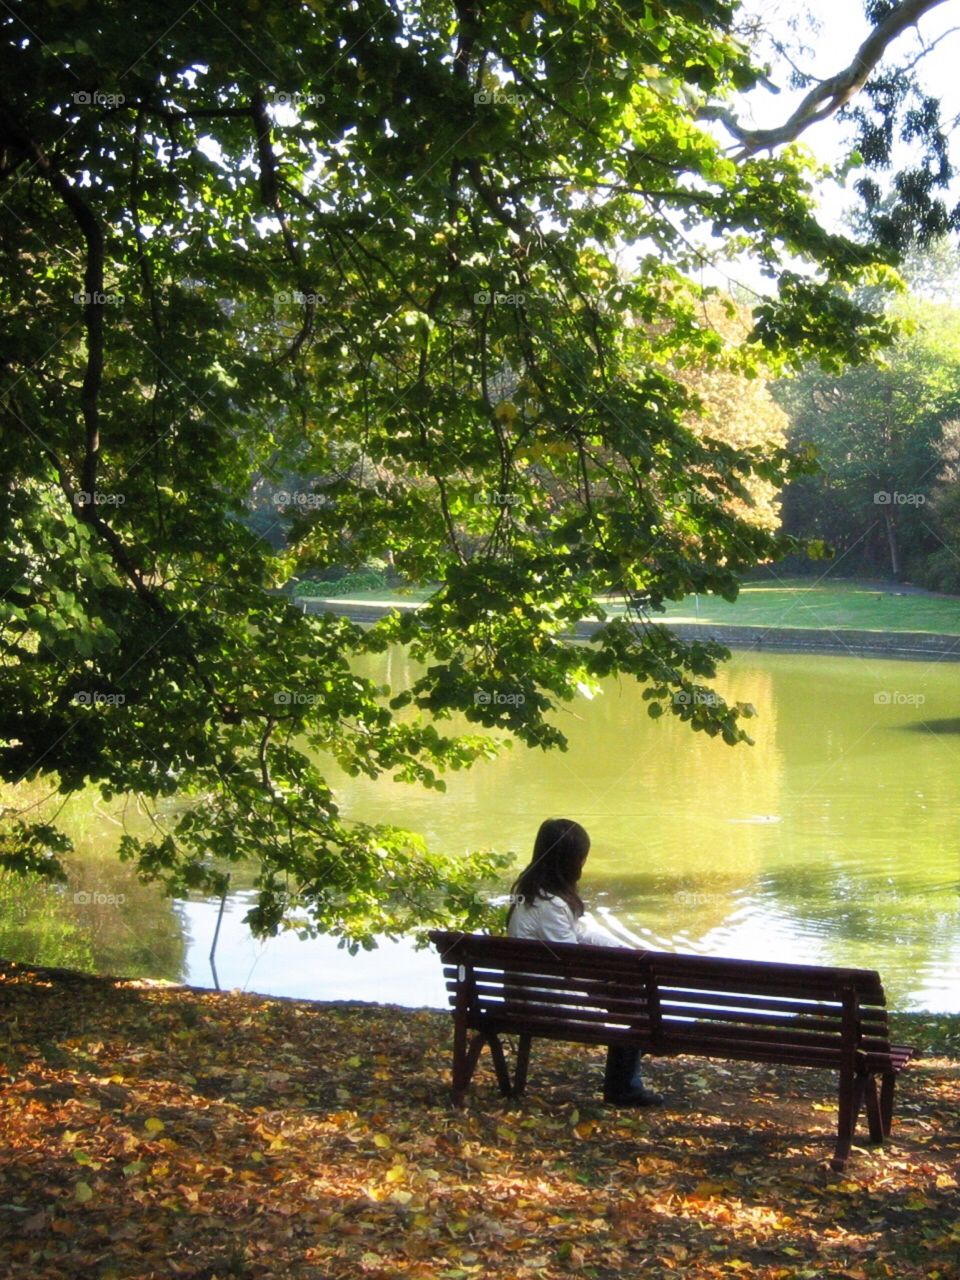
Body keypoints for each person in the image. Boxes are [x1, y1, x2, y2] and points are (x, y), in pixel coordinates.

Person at [505, 817, 663, 1106]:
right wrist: (612, 975)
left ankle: (626, 1079)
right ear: (568, 861)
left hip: (527, 991)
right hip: (544, 999)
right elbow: (571, 964)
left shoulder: (532, 895)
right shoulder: (551, 906)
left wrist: (625, 951)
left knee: (630, 996)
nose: (583, 864)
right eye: (581, 857)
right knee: (633, 1000)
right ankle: (623, 1087)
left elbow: (579, 933)